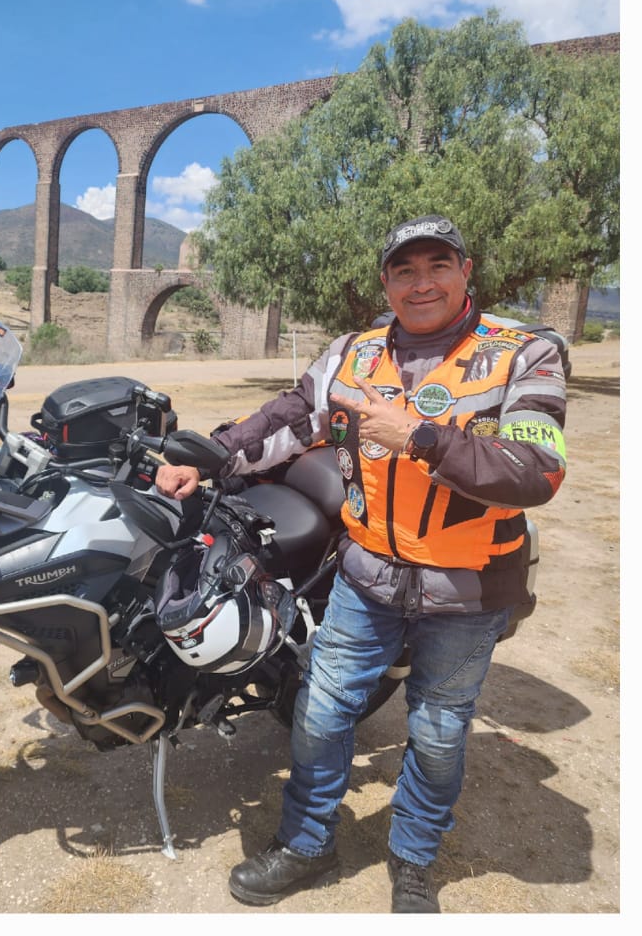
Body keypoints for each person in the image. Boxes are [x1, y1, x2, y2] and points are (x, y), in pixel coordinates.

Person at [156, 215, 567, 912]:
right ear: (387, 282)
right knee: (319, 714)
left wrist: (423, 439)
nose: (422, 282)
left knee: (437, 734)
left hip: (467, 592)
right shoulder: (355, 353)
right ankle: (308, 843)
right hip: (366, 576)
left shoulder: (523, 352)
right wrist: (211, 458)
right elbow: (289, 417)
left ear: (467, 273)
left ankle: (413, 862)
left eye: (439, 265)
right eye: (404, 270)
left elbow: (536, 471)